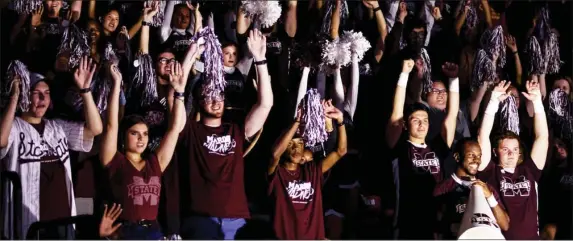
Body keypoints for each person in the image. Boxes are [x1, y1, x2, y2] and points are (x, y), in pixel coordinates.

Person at [177, 29, 273, 239]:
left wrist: (260, 59)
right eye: (208, 95)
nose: (215, 99)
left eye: (219, 94)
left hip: (236, 220)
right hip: (201, 219)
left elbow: (265, 104)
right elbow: (178, 89)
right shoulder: (191, 131)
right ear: (200, 101)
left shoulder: (236, 131)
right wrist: (191, 53)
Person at [0, 57, 103, 239]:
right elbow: (1, 140)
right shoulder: (14, 126)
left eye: (46, 93)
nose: (42, 98)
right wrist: (15, 96)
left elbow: (95, 129)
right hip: (29, 225)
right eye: (35, 92)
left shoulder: (57, 127)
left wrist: (85, 91)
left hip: (62, 222)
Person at [98, 54, 189, 239]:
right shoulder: (115, 161)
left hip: (153, 231)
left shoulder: (155, 163)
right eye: (134, 133)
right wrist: (116, 85)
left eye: (145, 134)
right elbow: (111, 125)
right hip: (126, 231)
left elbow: (173, 130)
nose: (141, 139)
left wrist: (179, 92)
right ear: (124, 138)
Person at [385, 59, 460, 239]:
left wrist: (454, 80)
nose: (421, 124)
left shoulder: (437, 146)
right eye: (416, 120)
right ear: (406, 125)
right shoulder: (400, 147)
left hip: (436, 220)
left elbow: (451, 116)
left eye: (425, 120)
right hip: (407, 221)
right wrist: (404, 75)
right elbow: (396, 115)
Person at [477, 80, 549, 239]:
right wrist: (493, 102)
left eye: (515, 149)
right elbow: (483, 138)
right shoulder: (490, 172)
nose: (511, 154)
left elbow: (542, 137)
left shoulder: (529, 170)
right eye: (505, 149)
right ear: (496, 152)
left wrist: (537, 102)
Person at [267, 100, 347, 239]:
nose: (295, 148)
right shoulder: (277, 173)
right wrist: (297, 122)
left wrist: (340, 120)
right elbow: (275, 154)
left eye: (300, 143)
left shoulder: (312, 171)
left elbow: (341, 151)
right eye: (290, 143)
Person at [434, 139, 510, 239]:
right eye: (471, 155)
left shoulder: (487, 188)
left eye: (479, 156)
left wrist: (490, 197)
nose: (476, 160)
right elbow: (435, 229)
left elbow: (505, 225)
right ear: (457, 157)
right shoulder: (443, 188)